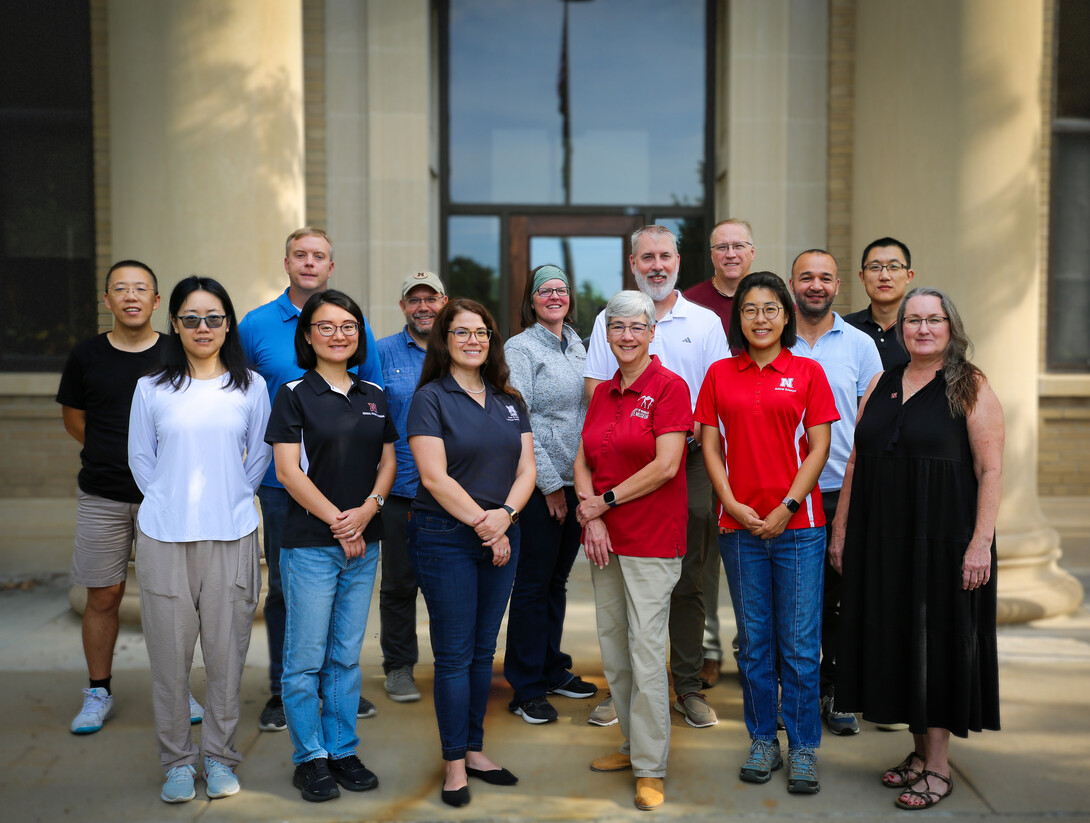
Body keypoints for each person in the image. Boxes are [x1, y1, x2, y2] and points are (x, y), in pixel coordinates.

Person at [830, 287, 1003, 811]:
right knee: (899, 639)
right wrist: (841, 530)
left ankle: (938, 767)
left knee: (938, 641)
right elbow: (856, 462)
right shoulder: (882, 381)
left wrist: (980, 544)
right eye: (913, 320)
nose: (923, 329)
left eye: (934, 320)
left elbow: (990, 468)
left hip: (944, 539)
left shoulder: (969, 384)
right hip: (883, 538)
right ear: (901, 327)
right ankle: (915, 752)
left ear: (951, 327)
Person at [128, 276, 272, 803]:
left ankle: (219, 756)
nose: (203, 328)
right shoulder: (152, 388)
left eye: (213, 318)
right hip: (165, 535)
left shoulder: (250, 386)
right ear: (175, 325)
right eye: (191, 318)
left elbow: (258, 456)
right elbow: (141, 460)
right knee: (169, 660)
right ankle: (176, 761)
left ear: (227, 324)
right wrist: (172, 502)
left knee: (226, 657)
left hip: (232, 533)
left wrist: (229, 496)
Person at [695, 271, 838, 795]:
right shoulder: (718, 374)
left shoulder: (807, 373)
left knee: (799, 646)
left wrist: (787, 504)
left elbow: (818, 448)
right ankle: (762, 740)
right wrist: (730, 501)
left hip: (798, 528)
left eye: (771, 309)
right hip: (739, 528)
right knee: (755, 642)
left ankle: (802, 747)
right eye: (751, 309)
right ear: (740, 317)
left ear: (786, 315)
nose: (760, 318)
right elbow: (710, 446)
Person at [584, 225, 728, 730]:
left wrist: (681, 439)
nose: (657, 265)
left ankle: (686, 685)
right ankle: (622, 693)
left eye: (664, 256)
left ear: (679, 261)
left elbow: (716, 395)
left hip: (686, 459)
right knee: (620, 578)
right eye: (647, 257)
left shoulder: (705, 322)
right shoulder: (612, 318)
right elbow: (596, 391)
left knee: (688, 578)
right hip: (622, 458)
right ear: (633, 263)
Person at [238, 227, 383, 732]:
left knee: (343, 601)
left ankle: (335, 691)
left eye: (318, 255)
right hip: (287, 488)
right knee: (286, 589)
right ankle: (284, 690)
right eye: (299, 254)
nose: (308, 262)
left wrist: (368, 504)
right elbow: (237, 395)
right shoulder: (256, 325)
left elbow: (377, 415)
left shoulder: (350, 327)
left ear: (330, 266)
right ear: (286, 263)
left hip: (354, 492)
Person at [58, 260, 204, 734]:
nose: (131, 296)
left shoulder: (176, 353)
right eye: (120, 289)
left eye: (141, 288)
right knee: (105, 594)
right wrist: (113, 455)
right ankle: (98, 690)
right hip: (103, 494)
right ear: (108, 301)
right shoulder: (86, 356)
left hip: (165, 498)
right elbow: (75, 419)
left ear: (157, 302)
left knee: (172, 597)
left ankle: (176, 687)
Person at [265, 290, 397, 802]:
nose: (339, 334)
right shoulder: (293, 394)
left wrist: (368, 510)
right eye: (327, 325)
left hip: (364, 542)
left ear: (359, 334)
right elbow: (286, 472)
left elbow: (388, 462)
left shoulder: (373, 394)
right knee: (304, 659)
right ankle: (310, 758)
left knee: (345, 654)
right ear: (307, 335)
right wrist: (341, 523)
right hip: (312, 545)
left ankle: (342, 748)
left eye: (349, 325)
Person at [406, 297, 536, 808]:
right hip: (446, 537)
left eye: (482, 332)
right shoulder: (430, 399)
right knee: (455, 654)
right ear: (445, 339)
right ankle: (454, 763)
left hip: (504, 530)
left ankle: (476, 749)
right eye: (462, 332)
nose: (473, 340)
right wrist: (489, 525)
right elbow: (434, 478)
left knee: (485, 651)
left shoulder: (509, 398)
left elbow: (526, 469)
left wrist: (505, 516)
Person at [576, 290, 691, 812]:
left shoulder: (670, 387)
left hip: (650, 539)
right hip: (605, 538)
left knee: (646, 656)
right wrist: (592, 513)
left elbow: (667, 465)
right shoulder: (602, 393)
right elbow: (584, 458)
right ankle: (630, 746)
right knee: (615, 651)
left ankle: (651, 767)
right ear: (606, 334)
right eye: (616, 327)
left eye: (635, 327)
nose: (625, 335)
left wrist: (602, 503)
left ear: (651, 333)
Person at [788, 249, 882, 737]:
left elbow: (870, 423)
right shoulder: (772, 341)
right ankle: (793, 691)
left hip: (842, 488)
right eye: (807, 277)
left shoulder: (861, 345)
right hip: (786, 492)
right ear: (792, 284)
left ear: (839, 286)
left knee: (843, 599)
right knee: (798, 600)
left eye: (825, 278)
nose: (816, 286)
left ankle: (835, 689)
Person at [503, 264, 597, 725]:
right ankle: (525, 686)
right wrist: (549, 487)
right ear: (532, 299)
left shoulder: (580, 345)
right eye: (546, 291)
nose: (555, 296)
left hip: (579, 482)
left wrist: (579, 485)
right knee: (532, 585)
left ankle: (551, 667)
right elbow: (521, 419)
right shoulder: (520, 348)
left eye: (561, 289)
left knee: (556, 582)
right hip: (540, 485)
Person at [683, 217, 757, 689]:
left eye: (739, 246)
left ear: (752, 252)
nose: (730, 254)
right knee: (706, 552)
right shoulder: (690, 303)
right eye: (721, 246)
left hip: (758, 446)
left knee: (752, 550)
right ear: (712, 254)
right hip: (705, 445)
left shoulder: (772, 301)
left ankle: (752, 650)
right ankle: (707, 649)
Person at [375, 271, 447, 703]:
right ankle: (399, 667)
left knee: (449, 584)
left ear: (444, 302)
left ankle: (451, 664)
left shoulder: (460, 347)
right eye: (414, 299)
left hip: (453, 493)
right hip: (401, 488)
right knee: (399, 584)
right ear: (403, 306)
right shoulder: (381, 353)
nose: (423, 307)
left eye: (431, 298)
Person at [843, 237, 915, 370]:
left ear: (909, 276)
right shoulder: (845, 328)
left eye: (894, 267)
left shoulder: (921, 329)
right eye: (875, 267)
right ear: (862, 277)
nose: (884, 276)